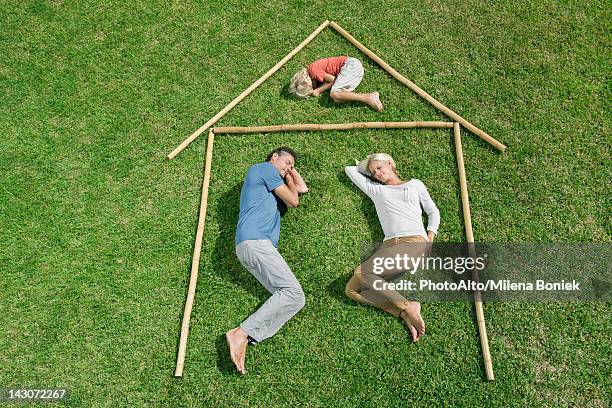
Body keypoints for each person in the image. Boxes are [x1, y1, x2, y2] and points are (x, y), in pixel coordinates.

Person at [226, 147, 308, 374]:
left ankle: (247, 336)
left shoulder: (272, 186)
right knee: (292, 293)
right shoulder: (263, 169)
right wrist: (286, 172)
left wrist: (290, 172)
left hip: (254, 247)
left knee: (295, 299)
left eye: (292, 165)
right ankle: (240, 333)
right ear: (274, 157)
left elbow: (301, 189)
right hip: (256, 242)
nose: (289, 168)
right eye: (287, 162)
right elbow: (294, 201)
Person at [344, 153, 440, 342]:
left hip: (414, 242)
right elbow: (349, 170)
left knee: (362, 273)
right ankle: (402, 312)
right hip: (389, 246)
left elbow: (433, 211)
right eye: (373, 172)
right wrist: (365, 166)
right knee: (352, 290)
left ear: (390, 163)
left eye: (380, 167)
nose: (377, 173)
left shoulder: (415, 184)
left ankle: (407, 305)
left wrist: (430, 238)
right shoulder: (376, 190)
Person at [288, 56, 383, 111]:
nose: (313, 87)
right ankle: (366, 97)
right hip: (352, 68)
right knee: (337, 99)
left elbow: (333, 80)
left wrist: (318, 90)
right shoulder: (312, 70)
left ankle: (368, 97)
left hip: (350, 66)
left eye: (311, 87)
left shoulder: (314, 71)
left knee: (335, 94)